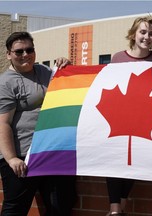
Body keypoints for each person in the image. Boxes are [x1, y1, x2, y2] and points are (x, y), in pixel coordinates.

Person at [0, 31, 77, 216]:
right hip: (22, 157)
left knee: (61, 207)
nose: (25, 54)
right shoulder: (6, 83)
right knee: (15, 210)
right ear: (9, 54)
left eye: (29, 49)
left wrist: (64, 66)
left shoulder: (44, 71)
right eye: (19, 51)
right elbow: (3, 124)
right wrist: (11, 159)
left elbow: (68, 88)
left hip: (51, 152)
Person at [106, 15, 152, 216]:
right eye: (142, 32)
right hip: (119, 119)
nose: (147, 37)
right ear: (133, 34)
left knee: (133, 163)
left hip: (146, 121)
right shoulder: (117, 58)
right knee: (115, 162)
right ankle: (115, 209)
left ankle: (120, 209)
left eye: (151, 33)